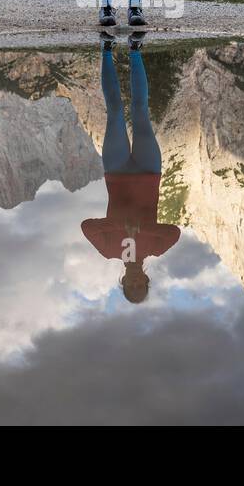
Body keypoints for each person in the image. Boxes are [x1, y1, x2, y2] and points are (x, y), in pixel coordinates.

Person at [81, 40, 177, 303]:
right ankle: (135, 50)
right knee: (140, 112)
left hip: (118, 173)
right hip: (149, 172)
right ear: (146, 280)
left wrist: (119, 225)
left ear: (123, 281)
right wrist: (143, 230)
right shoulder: (155, 247)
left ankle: (106, 49)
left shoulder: (109, 250)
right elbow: (174, 232)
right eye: (141, 285)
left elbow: (87, 227)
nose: (135, 281)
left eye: (130, 286)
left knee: (114, 113)